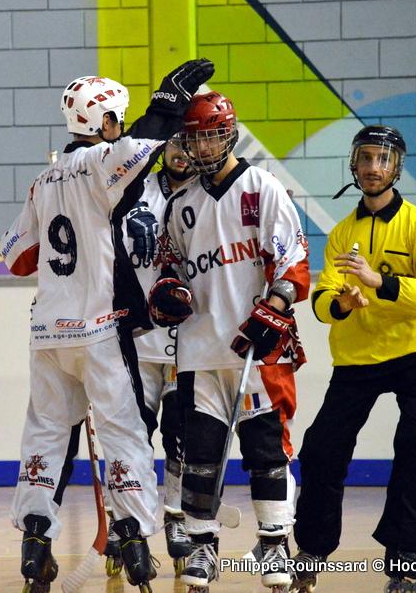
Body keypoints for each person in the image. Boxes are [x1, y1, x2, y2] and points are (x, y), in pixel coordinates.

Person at [0, 60, 215, 593]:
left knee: (46, 434)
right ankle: (135, 541)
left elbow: (16, 258)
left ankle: (35, 540)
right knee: (125, 432)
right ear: (108, 122)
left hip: (48, 335)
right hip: (99, 329)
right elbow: (147, 142)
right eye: (118, 118)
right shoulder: (104, 161)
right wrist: (168, 99)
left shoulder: (42, 180)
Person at [148, 91, 310, 591]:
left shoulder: (263, 189)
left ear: (230, 134)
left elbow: (293, 261)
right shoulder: (180, 204)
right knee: (199, 454)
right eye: (194, 138)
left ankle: (275, 541)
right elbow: (169, 266)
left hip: (257, 349)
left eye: (212, 136)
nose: (202, 147)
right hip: (200, 351)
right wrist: (168, 290)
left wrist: (275, 306)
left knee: (266, 451)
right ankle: (202, 545)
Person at [290, 125, 416, 593]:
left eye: (383, 159)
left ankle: (404, 555)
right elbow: (322, 301)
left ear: (396, 168)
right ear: (354, 164)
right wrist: (341, 303)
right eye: (365, 158)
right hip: (358, 356)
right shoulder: (343, 232)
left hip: (415, 350)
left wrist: (380, 284)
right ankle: (313, 550)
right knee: (321, 447)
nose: (373, 167)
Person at [103, 138, 198, 579]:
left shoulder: (208, 197)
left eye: (190, 143)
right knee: (131, 435)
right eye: (175, 142)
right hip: (137, 340)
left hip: (190, 340)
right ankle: (122, 515)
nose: (182, 152)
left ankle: (176, 514)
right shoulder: (134, 190)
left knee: (182, 433)